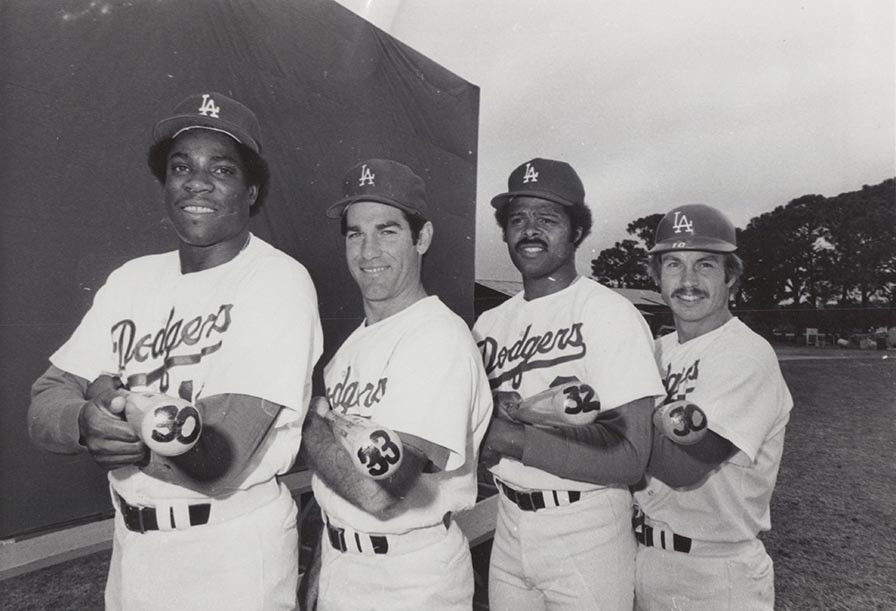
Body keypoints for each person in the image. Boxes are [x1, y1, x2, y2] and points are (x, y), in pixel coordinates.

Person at [27, 91, 323, 610]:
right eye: (181, 166)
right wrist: (81, 417)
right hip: (132, 551)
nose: (197, 182)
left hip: (229, 553)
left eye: (223, 169)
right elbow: (44, 401)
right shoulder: (132, 278)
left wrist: (113, 401)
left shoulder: (277, 280)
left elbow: (218, 455)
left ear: (252, 191)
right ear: (166, 184)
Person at [472, 157, 666, 610]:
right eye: (518, 219)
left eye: (548, 218)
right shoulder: (488, 323)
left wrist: (509, 436)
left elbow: (631, 459)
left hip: (585, 525)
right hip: (508, 519)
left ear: (577, 231)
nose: (530, 230)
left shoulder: (609, 313)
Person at [299, 158, 493, 610]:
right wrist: (322, 572)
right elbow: (339, 486)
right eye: (355, 233)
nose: (368, 252)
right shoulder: (352, 346)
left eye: (387, 231)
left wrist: (309, 421)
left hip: (410, 580)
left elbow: (378, 492)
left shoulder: (437, 336)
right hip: (343, 562)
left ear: (421, 238)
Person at [632, 204, 792, 610]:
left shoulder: (745, 353)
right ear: (657, 276)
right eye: (673, 264)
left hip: (716, 572)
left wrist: (616, 419)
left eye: (704, 265)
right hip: (646, 557)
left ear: (731, 276)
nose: (687, 281)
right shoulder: (658, 349)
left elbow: (683, 466)